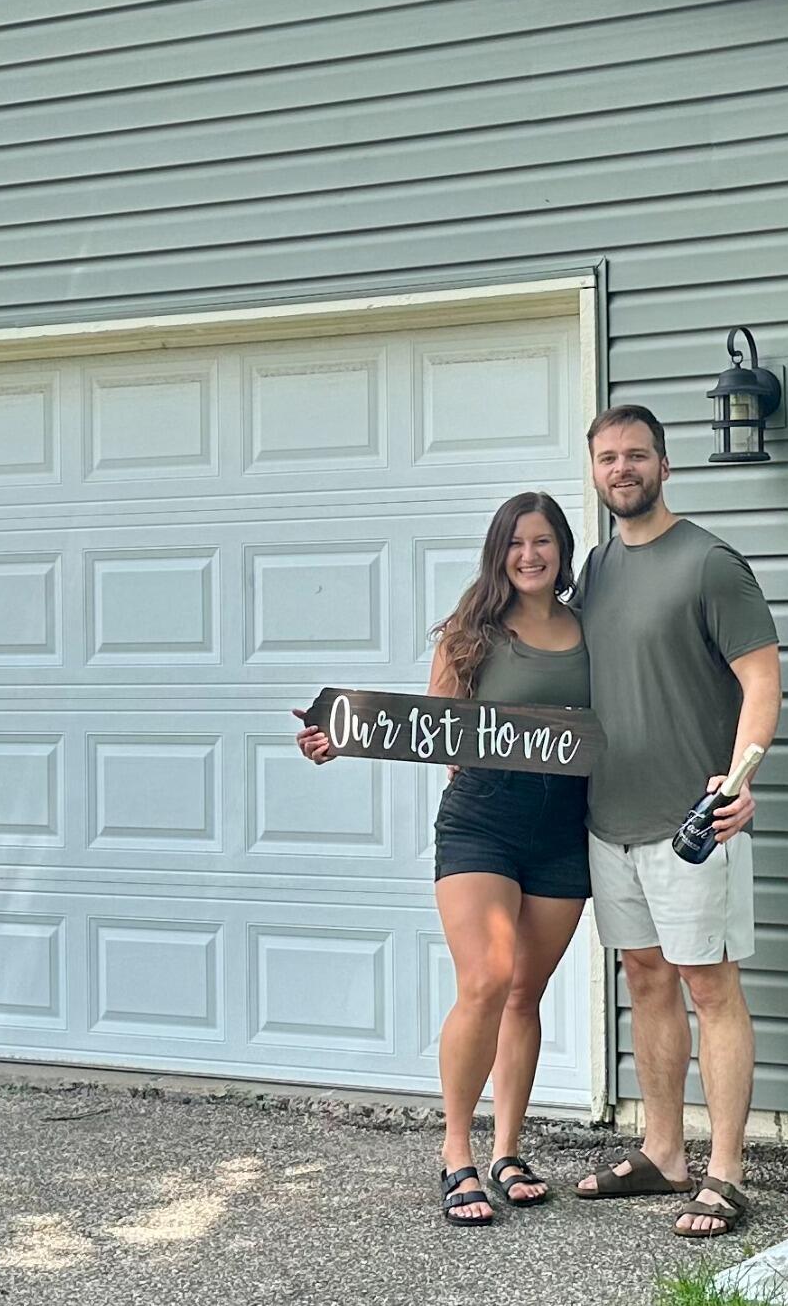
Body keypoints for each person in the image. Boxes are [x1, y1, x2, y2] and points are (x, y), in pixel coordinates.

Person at [292, 490, 590, 1227]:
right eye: (515, 542)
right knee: (486, 978)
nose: (529, 554)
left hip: (564, 826)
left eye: (543, 541)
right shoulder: (471, 633)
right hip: (482, 820)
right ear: (498, 552)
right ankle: (457, 1152)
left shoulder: (591, 629)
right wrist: (341, 736)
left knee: (524, 993)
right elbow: (427, 727)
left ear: (562, 549)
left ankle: (507, 1151)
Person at [570, 404, 780, 1239]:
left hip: (694, 826)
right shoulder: (595, 570)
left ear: (665, 465)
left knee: (710, 986)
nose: (622, 469)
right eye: (607, 457)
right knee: (646, 978)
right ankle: (664, 1154)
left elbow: (761, 680)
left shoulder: (710, 564)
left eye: (636, 455)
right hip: (610, 819)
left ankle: (725, 1172)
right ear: (594, 471)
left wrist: (740, 778)